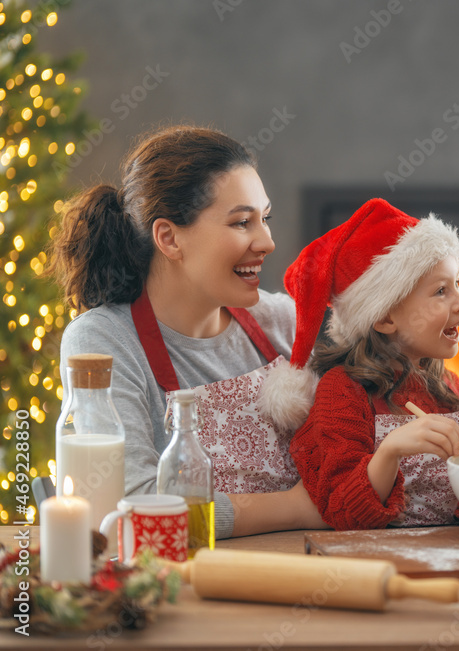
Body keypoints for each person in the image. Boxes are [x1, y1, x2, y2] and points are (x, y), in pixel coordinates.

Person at [51, 125, 327, 539]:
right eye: (241, 223)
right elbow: (135, 505)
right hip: (189, 583)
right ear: (169, 237)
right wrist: (295, 508)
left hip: (307, 571)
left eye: (264, 219)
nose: (267, 241)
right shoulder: (102, 342)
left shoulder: (285, 320)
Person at [269, 198, 459, 530]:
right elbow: (341, 510)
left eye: (456, 284)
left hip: (457, 552)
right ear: (385, 317)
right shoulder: (342, 392)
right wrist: (390, 452)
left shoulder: (449, 385)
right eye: (441, 291)